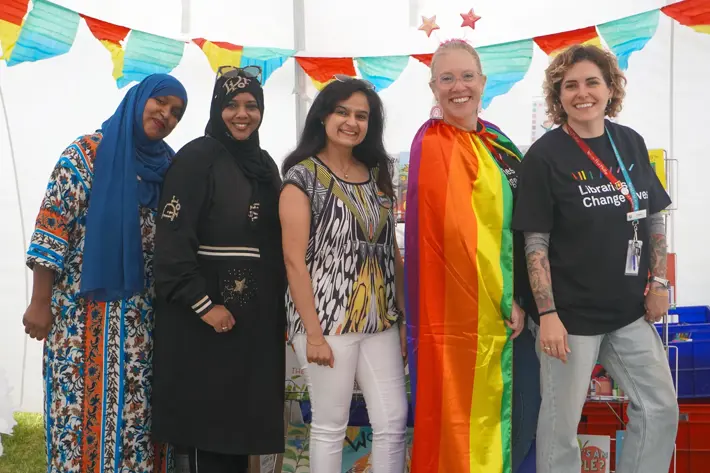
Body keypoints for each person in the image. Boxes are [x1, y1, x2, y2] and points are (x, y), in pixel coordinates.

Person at [513, 44, 679, 473]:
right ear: (558, 95)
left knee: (660, 407)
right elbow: (535, 243)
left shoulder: (630, 142)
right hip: (568, 318)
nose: (581, 93)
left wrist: (658, 282)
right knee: (560, 428)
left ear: (610, 90)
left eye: (591, 82)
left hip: (627, 310)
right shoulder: (545, 156)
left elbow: (653, 214)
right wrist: (546, 312)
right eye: (570, 86)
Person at [22, 74, 187, 472]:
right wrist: (39, 303)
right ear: (139, 99)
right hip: (80, 323)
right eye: (160, 103)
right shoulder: (85, 154)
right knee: (77, 425)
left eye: (176, 113)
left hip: (143, 329)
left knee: (139, 429)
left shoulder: (170, 167)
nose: (165, 115)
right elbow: (51, 230)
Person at [404, 38, 537, 473]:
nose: (457, 86)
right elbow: (456, 241)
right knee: (468, 424)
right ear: (432, 86)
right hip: (471, 314)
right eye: (446, 78)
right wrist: (504, 300)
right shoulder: (434, 145)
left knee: (521, 419)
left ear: (482, 81)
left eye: (466, 76)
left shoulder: (498, 142)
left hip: (522, 305)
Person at [151, 65, 286, 473]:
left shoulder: (264, 165)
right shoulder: (197, 158)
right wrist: (204, 305)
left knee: (237, 438)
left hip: (250, 329)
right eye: (231, 105)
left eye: (251, 106)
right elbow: (172, 241)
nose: (242, 114)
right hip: (203, 325)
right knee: (204, 438)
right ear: (216, 108)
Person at [280, 77, 408, 473]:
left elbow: (392, 253)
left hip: (379, 321)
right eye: (342, 112)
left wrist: (403, 317)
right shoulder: (301, 178)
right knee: (330, 426)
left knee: (393, 420)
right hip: (326, 322)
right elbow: (293, 261)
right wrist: (313, 334)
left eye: (361, 115)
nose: (351, 122)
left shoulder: (377, 175)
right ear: (322, 117)